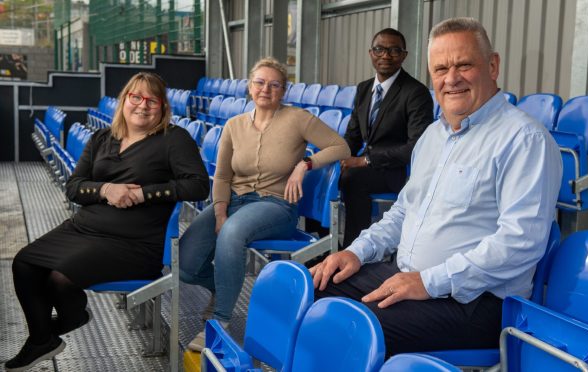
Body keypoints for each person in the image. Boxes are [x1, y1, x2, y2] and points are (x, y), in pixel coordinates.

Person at [310, 17, 562, 356]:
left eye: (464, 65)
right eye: (441, 69)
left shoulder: (525, 140)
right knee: (312, 289)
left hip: (476, 301)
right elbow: (402, 212)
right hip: (408, 276)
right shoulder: (432, 136)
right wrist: (356, 252)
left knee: (349, 331)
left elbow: (521, 242)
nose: (451, 78)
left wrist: (430, 282)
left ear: (493, 66)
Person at [6, 72, 210, 371]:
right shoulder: (102, 137)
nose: (143, 105)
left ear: (163, 107)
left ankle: (65, 321)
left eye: (152, 100)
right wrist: (104, 189)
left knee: (59, 279)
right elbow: (74, 187)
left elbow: (198, 185)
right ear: (124, 101)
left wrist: (145, 194)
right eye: (135, 97)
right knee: (24, 264)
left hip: (135, 242)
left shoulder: (173, 139)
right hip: (84, 228)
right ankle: (43, 339)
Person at [180, 57, 350, 351]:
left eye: (274, 84)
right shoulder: (234, 126)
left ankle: (220, 320)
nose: (266, 89)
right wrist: (219, 211)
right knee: (186, 262)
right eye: (259, 82)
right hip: (234, 201)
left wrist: (305, 164)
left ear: (283, 90)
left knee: (232, 233)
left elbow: (341, 146)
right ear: (249, 87)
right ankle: (222, 288)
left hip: (276, 205)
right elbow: (221, 176)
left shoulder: (298, 119)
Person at [339, 28, 435, 248]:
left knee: (352, 178)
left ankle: (354, 249)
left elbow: (418, 147)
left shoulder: (415, 93)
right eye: (380, 49)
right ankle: (323, 242)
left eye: (394, 50)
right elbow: (353, 136)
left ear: (404, 55)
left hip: (397, 170)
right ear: (371, 53)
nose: (386, 55)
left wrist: (365, 160)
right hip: (369, 166)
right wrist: (336, 158)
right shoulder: (364, 89)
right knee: (329, 173)